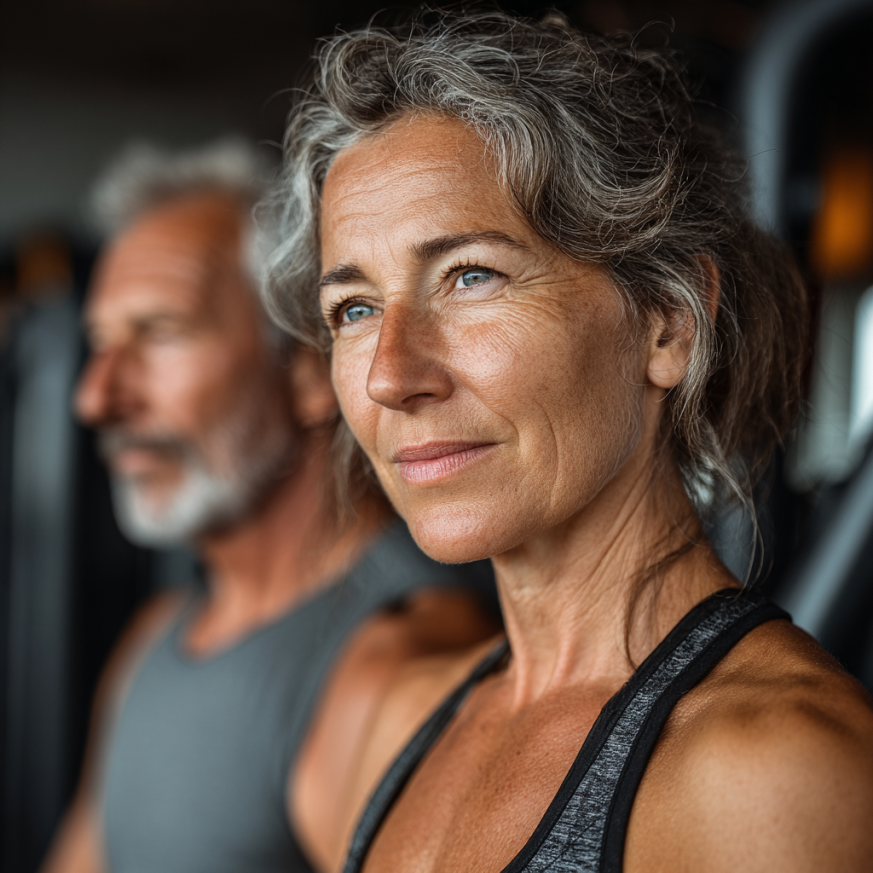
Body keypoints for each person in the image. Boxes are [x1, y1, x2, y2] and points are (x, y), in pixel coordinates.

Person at [263, 11, 873, 873]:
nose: (391, 376)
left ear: (666, 323)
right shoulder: (389, 724)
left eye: (470, 275)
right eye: (354, 309)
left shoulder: (773, 773)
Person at [41, 140, 498, 873]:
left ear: (311, 374)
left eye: (159, 333)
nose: (95, 397)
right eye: (99, 343)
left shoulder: (399, 662)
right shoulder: (151, 644)